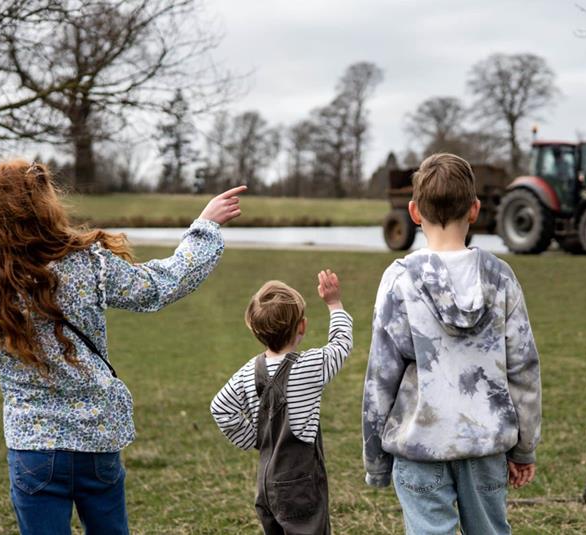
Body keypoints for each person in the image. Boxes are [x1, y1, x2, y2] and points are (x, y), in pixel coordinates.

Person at [0, 159, 245, 535]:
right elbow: (160, 285)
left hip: (33, 449)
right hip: (97, 439)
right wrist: (205, 226)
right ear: (43, 206)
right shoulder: (87, 264)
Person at [362, 153, 542, 534]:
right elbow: (523, 368)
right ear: (475, 210)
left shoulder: (399, 280)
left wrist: (375, 458)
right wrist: (524, 448)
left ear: (413, 211)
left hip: (420, 444)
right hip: (486, 445)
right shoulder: (501, 277)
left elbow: (381, 376)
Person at [211, 272, 352, 534]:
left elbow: (220, 407)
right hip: (301, 486)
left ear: (255, 330)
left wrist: (254, 440)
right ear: (302, 326)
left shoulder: (248, 371)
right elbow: (341, 344)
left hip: (266, 485)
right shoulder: (309, 366)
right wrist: (334, 304)